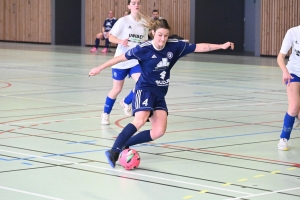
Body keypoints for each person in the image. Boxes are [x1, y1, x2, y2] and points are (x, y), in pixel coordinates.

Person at [89, 18, 234, 168]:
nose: (163, 39)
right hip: (144, 89)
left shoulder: (175, 46)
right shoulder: (144, 48)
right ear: (153, 33)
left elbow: (199, 47)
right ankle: (114, 151)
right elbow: (120, 58)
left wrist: (221, 46)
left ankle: (125, 143)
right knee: (140, 120)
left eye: (165, 35)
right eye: (159, 35)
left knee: (158, 131)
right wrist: (99, 68)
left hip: (160, 93)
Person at [99, 0, 148, 125]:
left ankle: (126, 101)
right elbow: (110, 37)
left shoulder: (144, 23)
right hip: (121, 60)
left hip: (135, 60)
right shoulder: (123, 21)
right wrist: (121, 42)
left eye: (138, 2)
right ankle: (105, 114)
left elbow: (145, 41)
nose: (136, 4)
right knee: (116, 89)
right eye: (133, 2)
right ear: (129, 6)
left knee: (142, 83)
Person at [277, 25, 300, 151]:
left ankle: (297, 116)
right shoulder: (293, 32)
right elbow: (280, 57)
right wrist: (285, 72)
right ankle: (283, 139)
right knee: (294, 106)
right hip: (293, 73)